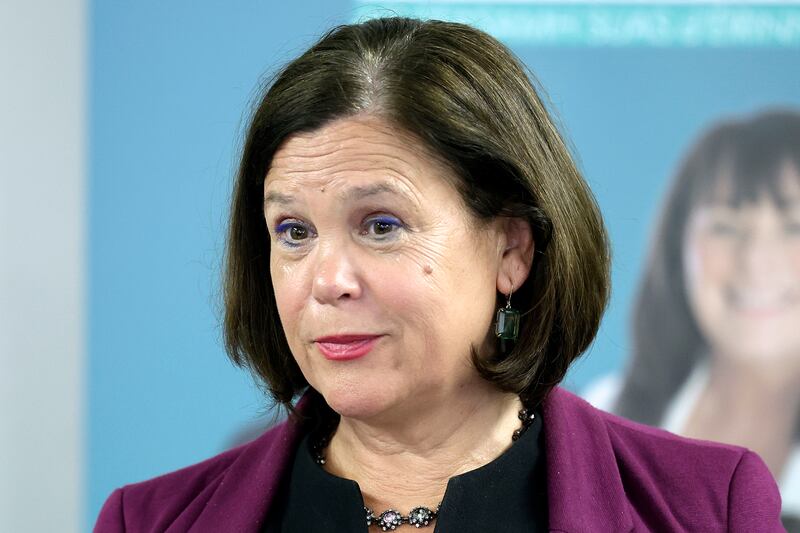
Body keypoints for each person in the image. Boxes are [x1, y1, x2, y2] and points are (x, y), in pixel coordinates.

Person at [94, 17, 783, 532]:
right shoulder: (149, 519)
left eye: (381, 225)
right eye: (294, 232)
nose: (327, 279)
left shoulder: (709, 505)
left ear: (512, 249)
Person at [590, 110, 800, 530]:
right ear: (677, 248)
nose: (756, 261)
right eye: (725, 227)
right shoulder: (602, 413)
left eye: (793, 226)